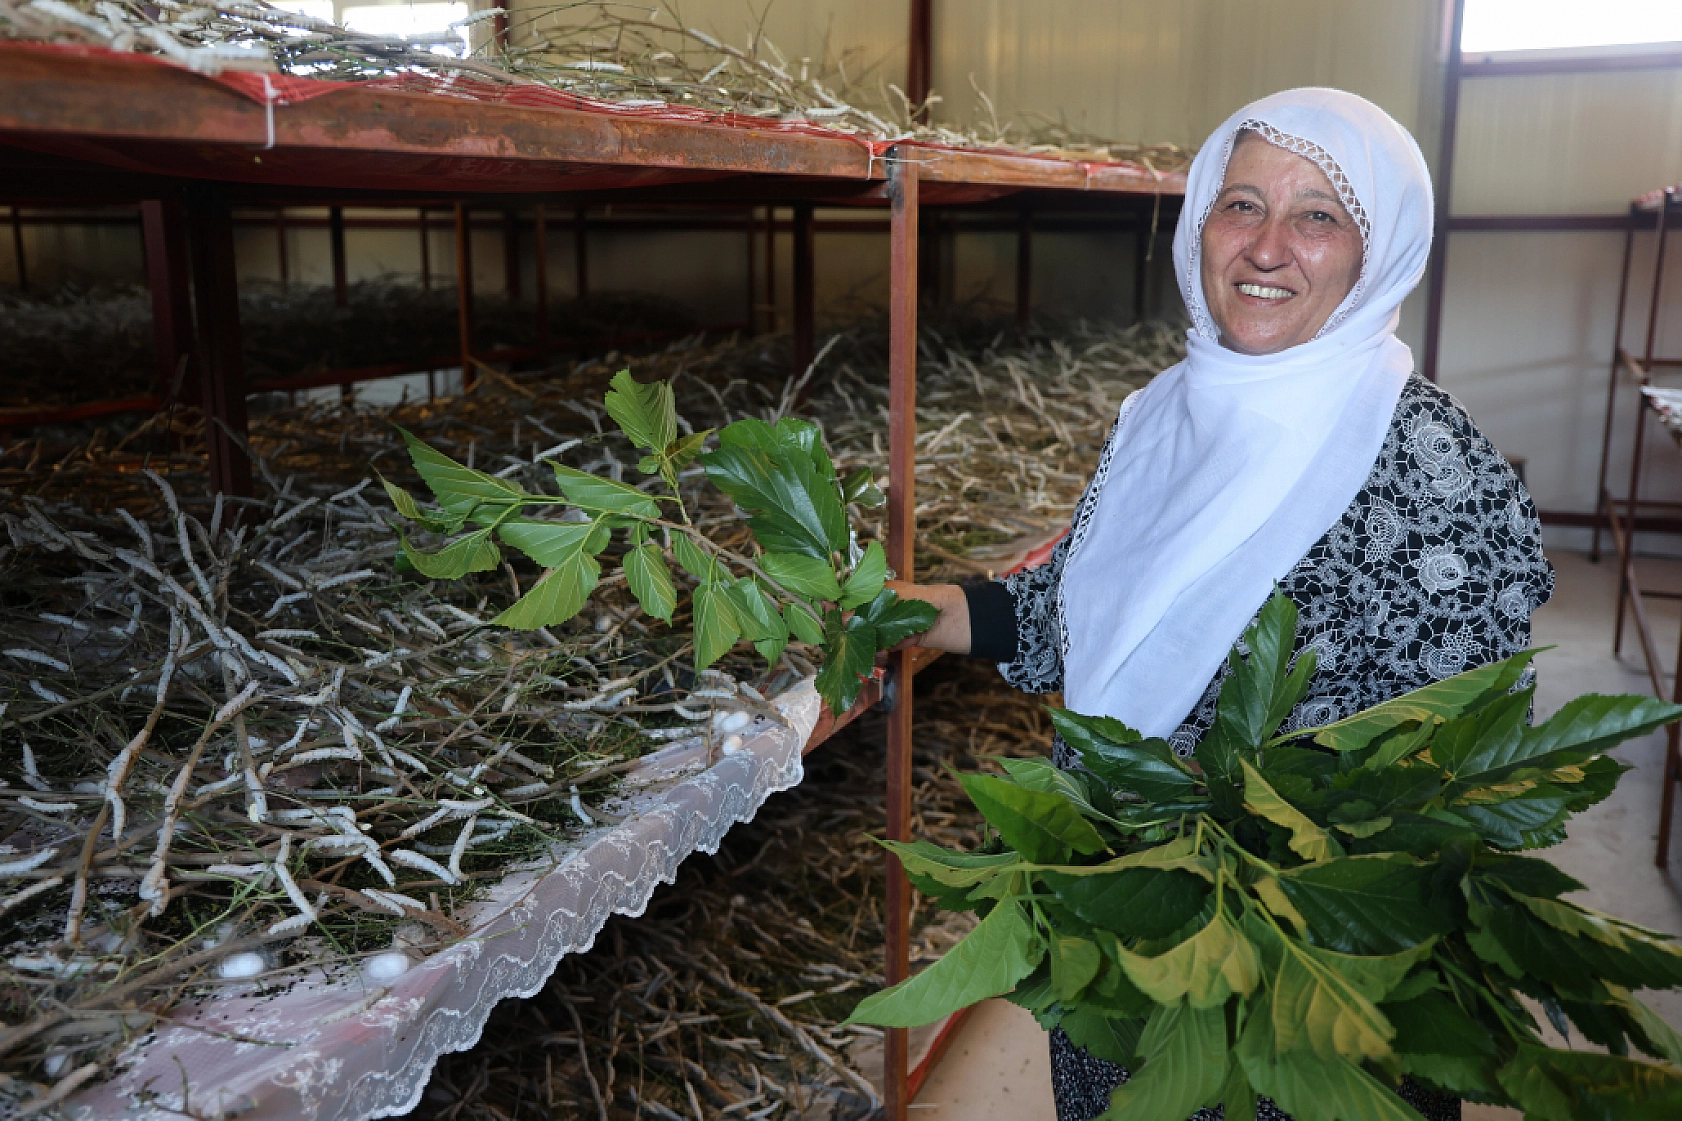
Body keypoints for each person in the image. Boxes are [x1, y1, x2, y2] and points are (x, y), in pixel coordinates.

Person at [887, 88, 1554, 1121]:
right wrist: (920, 611)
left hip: (1303, 984)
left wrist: (1230, 833)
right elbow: (1080, 607)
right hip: (1122, 942)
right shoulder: (1158, 419)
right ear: (1198, 219)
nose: (1267, 247)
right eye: (1239, 204)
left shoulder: (1431, 466)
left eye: (1318, 215)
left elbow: (1446, 771)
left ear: (1376, 252)